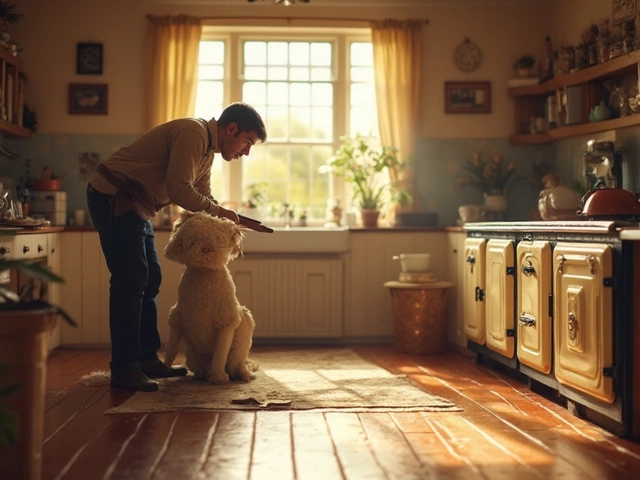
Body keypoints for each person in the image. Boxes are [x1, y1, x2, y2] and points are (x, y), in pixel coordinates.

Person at [86, 102, 267, 392]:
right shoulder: (192, 133)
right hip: (115, 196)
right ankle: (124, 368)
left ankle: (145, 359)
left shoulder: (207, 152)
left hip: (139, 206)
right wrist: (221, 214)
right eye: (247, 142)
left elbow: (203, 195)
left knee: (150, 278)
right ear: (231, 129)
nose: (246, 151)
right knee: (130, 281)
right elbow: (179, 190)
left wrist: (225, 219)